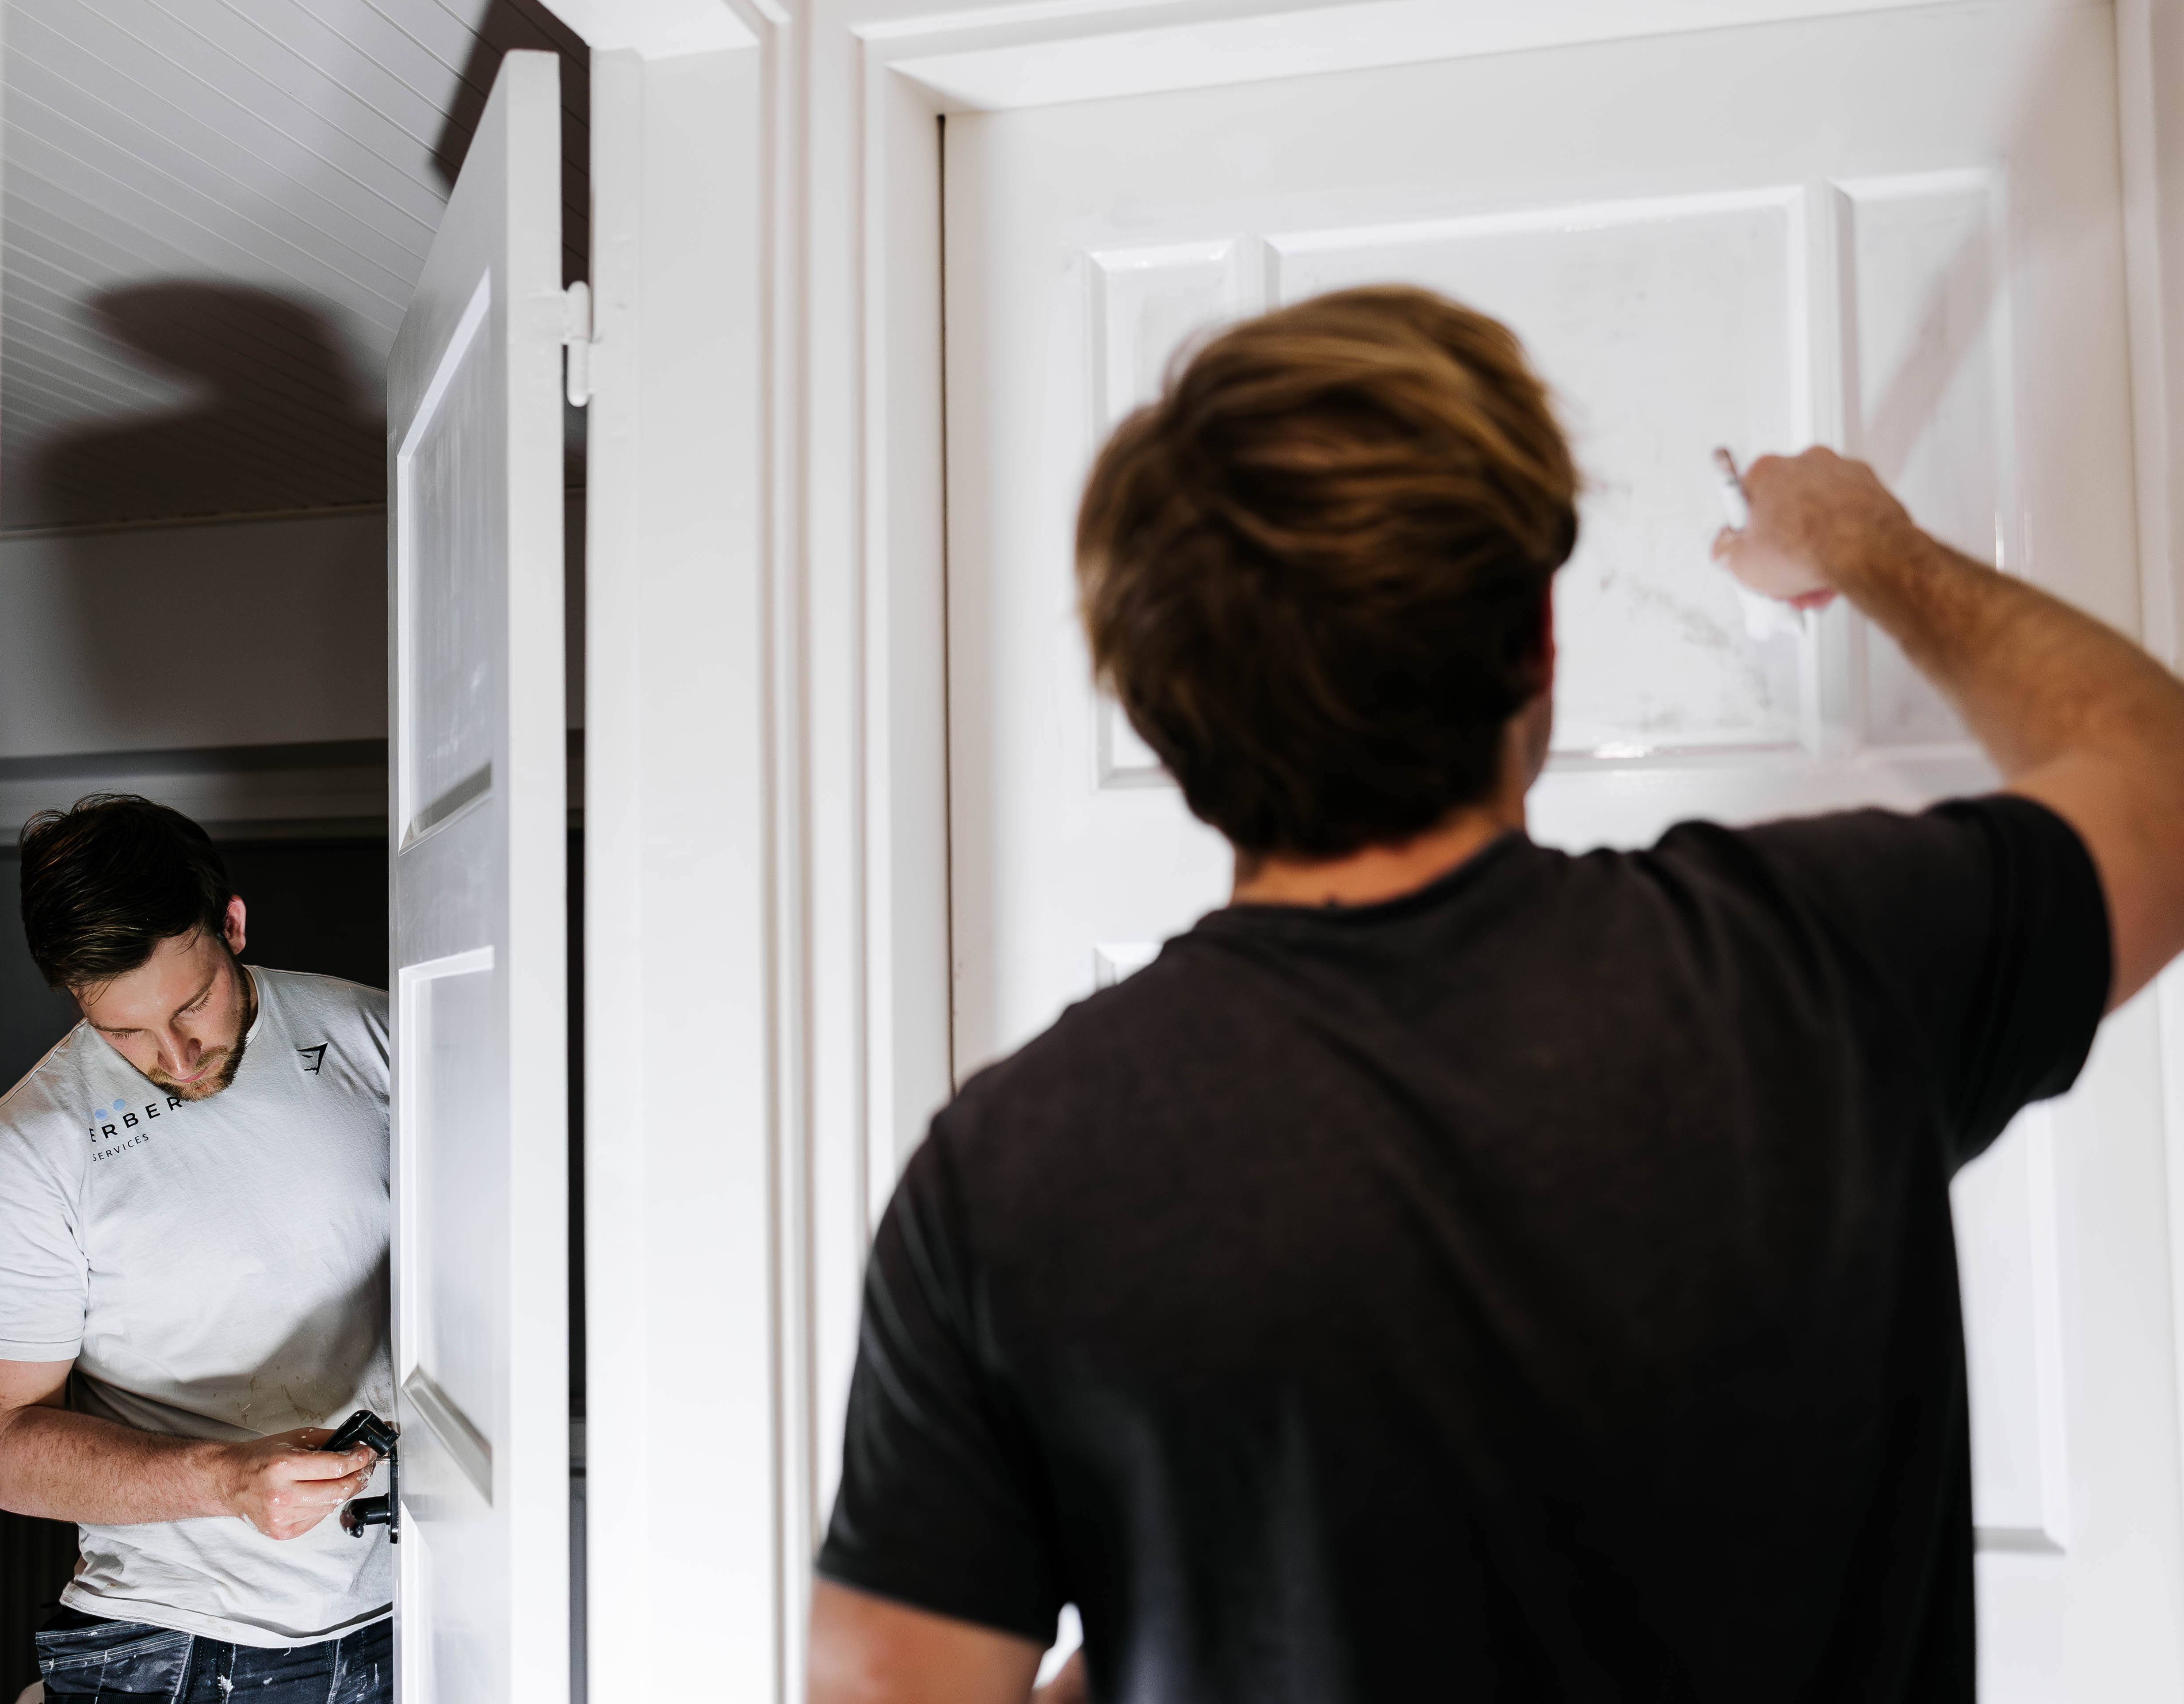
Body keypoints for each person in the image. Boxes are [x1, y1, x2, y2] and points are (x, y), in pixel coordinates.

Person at [806, 288, 2184, 1701]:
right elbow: (2158, 783)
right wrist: (1861, 543)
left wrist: (1194, 1610)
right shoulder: (1819, 966)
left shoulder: (1011, 1179)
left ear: (1161, 710)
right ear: (1537, 639)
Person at [0, 794, 397, 1703]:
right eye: (123, 1030)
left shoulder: (378, 1038)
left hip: (410, 1607)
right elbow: (2, 1448)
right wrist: (227, 1479)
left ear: (232, 925)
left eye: (191, 1005)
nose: (173, 1058)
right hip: (176, 1642)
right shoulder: (26, 1148)